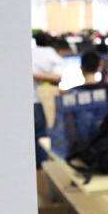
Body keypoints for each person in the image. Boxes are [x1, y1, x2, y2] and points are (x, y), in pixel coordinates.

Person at [32, 34, 71, 168]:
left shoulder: (30, 52)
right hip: (39, 101)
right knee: (41, 139)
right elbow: (56, 77)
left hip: (33, 100)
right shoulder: (52, 56)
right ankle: (42, 172)